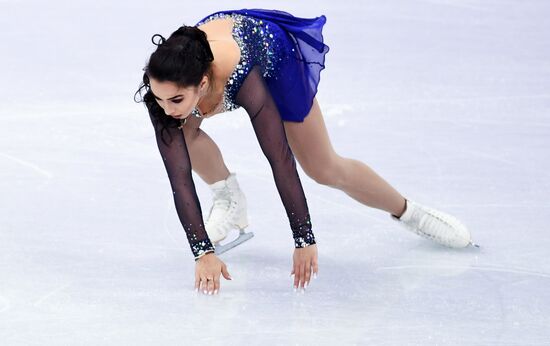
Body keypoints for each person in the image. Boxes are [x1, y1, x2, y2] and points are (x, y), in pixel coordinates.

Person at [134, 9, 476, 296]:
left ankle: (409, 211)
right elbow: (178, 178)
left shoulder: (246, 78)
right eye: (159, 97)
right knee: (182, 132)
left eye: (175, 100)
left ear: (203, 85)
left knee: (323, 167)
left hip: (271, 56)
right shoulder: (166, 91)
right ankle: (229, 198)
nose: (165, 108)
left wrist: (304, 239)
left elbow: (279, 157)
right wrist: (203, 252)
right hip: (204, 55)